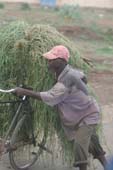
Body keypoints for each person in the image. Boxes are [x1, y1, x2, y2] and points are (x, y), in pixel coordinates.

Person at [13, 45, 107, 170]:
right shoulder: (65, 72)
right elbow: (82, 76)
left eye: (52, 59)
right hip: (77, 116)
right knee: (92, 143)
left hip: (88, 115)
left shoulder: (65, 81)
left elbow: (51, 96)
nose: (49, 61)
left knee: (79, 145)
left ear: (62, 61)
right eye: (49, 59)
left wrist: (25, 92)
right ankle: (107, 166)